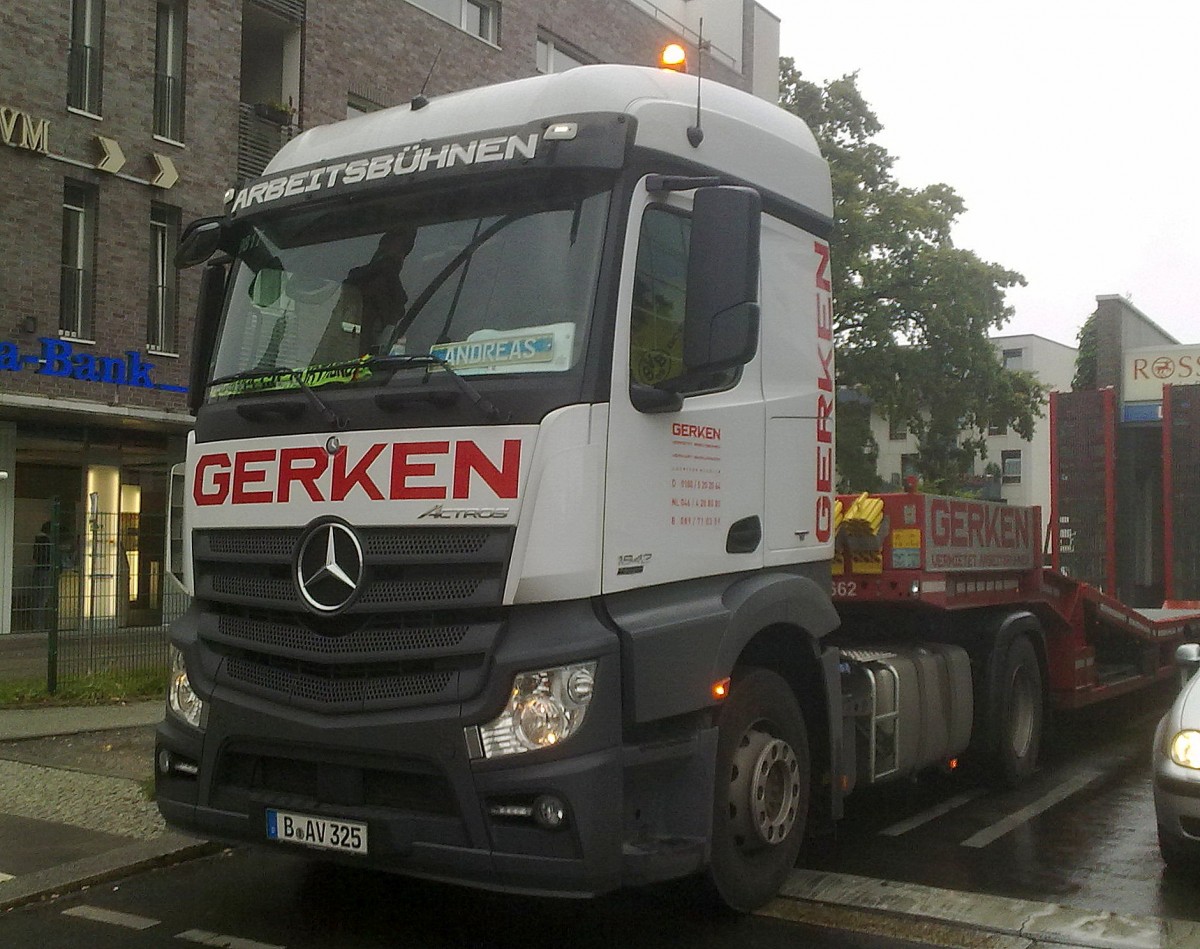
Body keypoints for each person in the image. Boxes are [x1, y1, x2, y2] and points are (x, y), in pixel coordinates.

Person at [31, 521, 55, 632]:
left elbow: (36, 557)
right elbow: (49, 558)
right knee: (43, 600)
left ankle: (37, 625)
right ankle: (39, 626)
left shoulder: (38, 540)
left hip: (38, 571)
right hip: (46, 571)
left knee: (37, 599)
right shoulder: (46, 541)